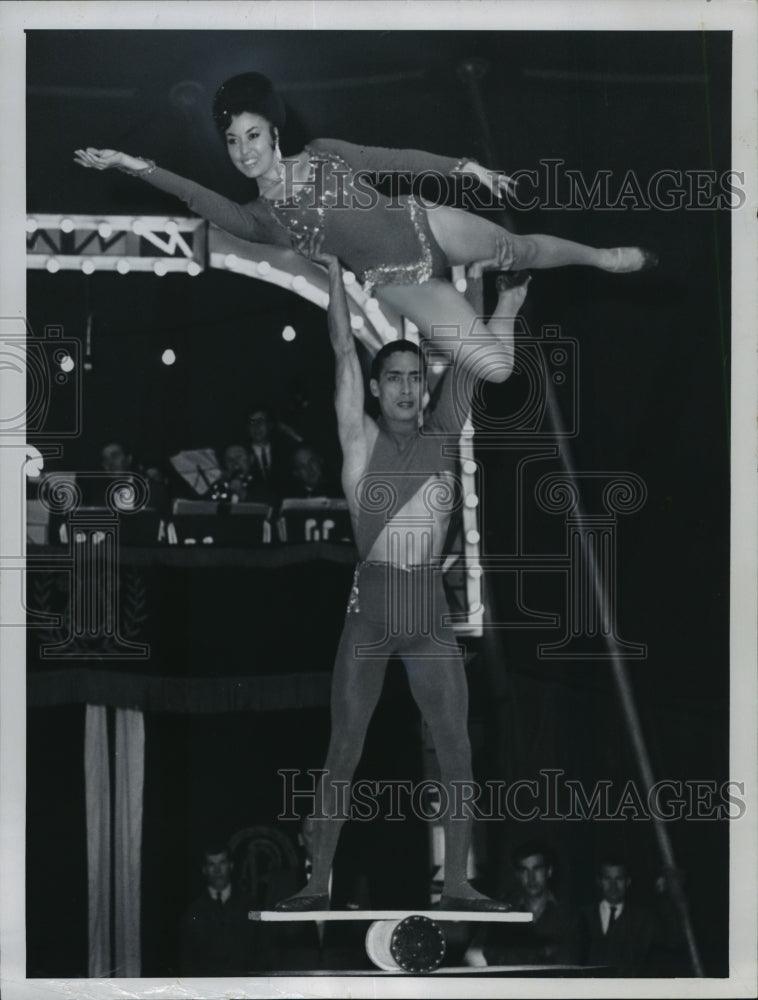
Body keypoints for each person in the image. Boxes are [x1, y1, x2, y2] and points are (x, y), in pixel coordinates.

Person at [267, 228, 527, 913]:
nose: (409, 388)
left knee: (456, 749)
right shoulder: (359, 437)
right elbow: (338, 349)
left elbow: (477, 362)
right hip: (372, 613)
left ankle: (461, 881)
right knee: (343, 748)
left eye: (417, 377)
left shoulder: (444, 430)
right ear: (378, 389)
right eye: (396, 379)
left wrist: (508, 302)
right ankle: (317, 880)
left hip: (428, 614)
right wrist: (331, 279)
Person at [74, 72, 656, 348]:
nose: (244, 151)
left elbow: (393, 159)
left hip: (423, 222)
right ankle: (506, 298)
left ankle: (600, 257)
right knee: (495, 367)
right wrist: (135, 166)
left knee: (521, 246)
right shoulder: (258, 219)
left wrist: (463, 168)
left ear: (273, 131)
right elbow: (195, 197)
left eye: (252, 135)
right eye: (232, 141)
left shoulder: (325, 154)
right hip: (396, 282)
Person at [467, 841, 578, 966]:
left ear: (549, 871)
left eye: (537, 869)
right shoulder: (501, 913)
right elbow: (484, 955)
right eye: (524, 870)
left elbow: (571, 962)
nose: (531, 878)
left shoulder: (568, 914)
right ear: (517, 875)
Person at [178, 844, 271, 976]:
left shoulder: (252, 906)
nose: (217, 870)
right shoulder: (192, 912)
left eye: (222, 863)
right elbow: (187, 962)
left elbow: (264, 951)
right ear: (204, 870)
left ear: (231, 866)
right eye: (211, 864)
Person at [577, 856, 655, 976]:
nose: (613, 886)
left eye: (619, 879)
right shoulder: (582, 916)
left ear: (628, 882)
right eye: (607, 879)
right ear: (599, 882)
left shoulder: (642, 921)